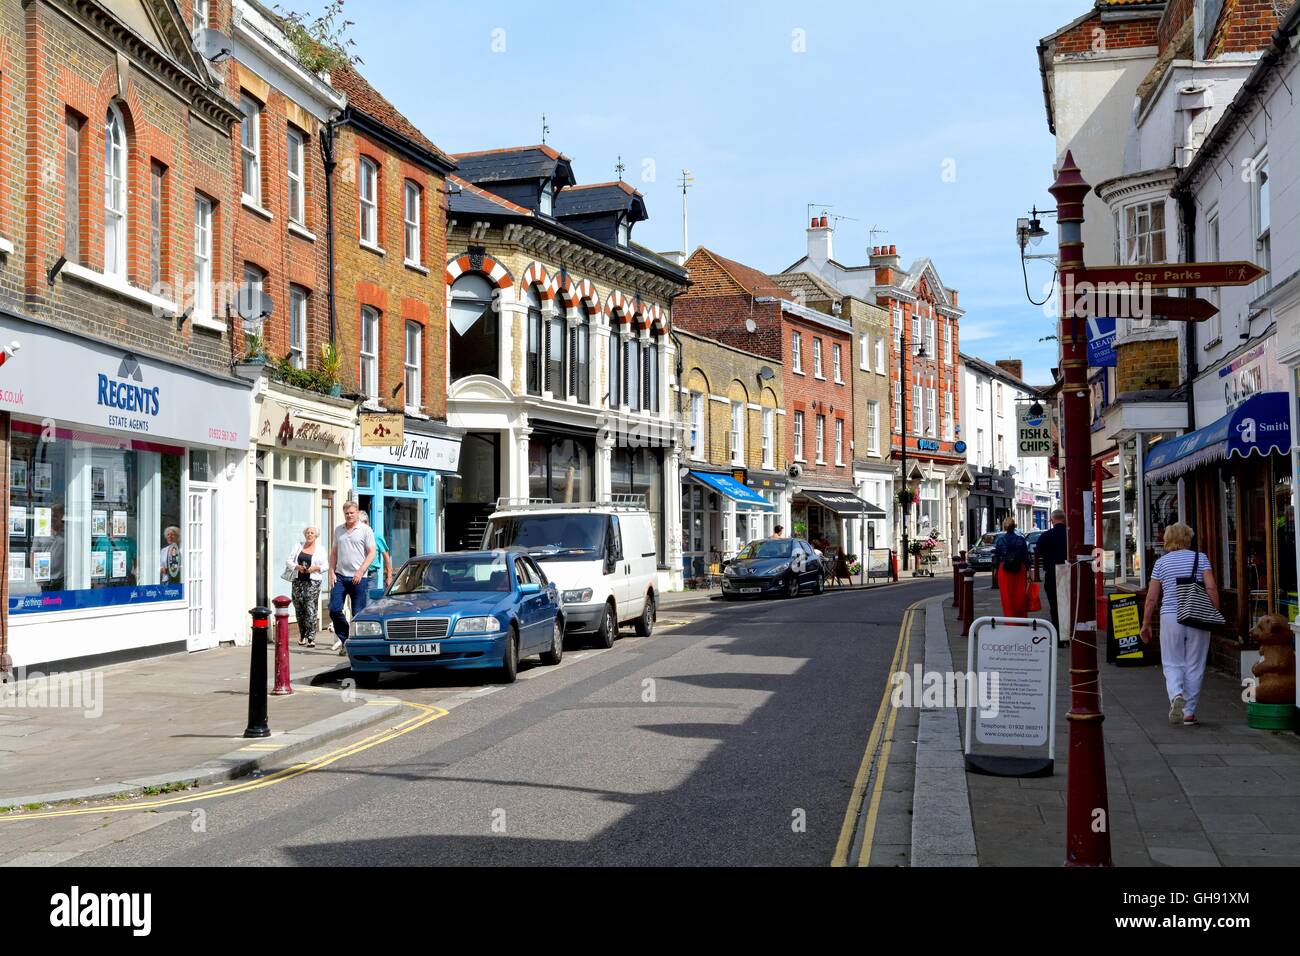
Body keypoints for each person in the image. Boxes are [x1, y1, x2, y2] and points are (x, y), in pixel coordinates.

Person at [1140, 522, 1220, 726]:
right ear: (1188, 538)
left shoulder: (1161, 563)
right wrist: (1214, 612)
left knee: (1172, 661)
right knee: (1195, 663)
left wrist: (1146, 622)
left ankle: (1176, 694)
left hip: (1170, 616)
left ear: (1167, 540)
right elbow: (1211, 588)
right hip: (1197, 614)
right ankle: (1188, 712)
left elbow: (1151, 597)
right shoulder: (1200, 558)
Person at [329, 501, 377, 655]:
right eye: (347, 513)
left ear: (357, 513)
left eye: (352, 512)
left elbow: (372, 552)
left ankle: (357, 645)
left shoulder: (365, 530)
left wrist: (361, 571)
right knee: (334, 609)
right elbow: (334, 552)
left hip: (359, 578)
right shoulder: (339, 530)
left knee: (358, 613)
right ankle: (345, 639)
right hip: (341, 576)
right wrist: (331, 572)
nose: (349, 515)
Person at [289, 526, 326, 647]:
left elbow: (326, 565)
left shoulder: (320, 549)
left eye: (312, 533)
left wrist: (316, 568)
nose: (309, 535)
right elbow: (288, 561)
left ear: (316, 536)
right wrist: (296, 566)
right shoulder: (298, 546)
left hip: (313, 581)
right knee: (299, 608)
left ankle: (311, 637)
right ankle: (302, 634)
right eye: (307, 533)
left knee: (310, 607)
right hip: (298, 580)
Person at [1036, 510, 1068, 636]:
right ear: (1064, 519)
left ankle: (1058, 636)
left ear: (1052, 520)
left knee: (1054, 605)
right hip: (1068, 570)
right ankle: (1067, 634)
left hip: (1052, 572)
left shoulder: (1046, 535)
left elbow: (1038, 552)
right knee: (1067, 604)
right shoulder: (1070, 534)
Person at [993, 516, 1031, 618]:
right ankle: (1021, 619)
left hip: (1004, 569)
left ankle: (1010, 620)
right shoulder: (1021, 540)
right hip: (1020, 568)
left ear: (1004, 527)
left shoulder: (1000, 541)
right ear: (1014, 527)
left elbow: (996, 558)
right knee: (1019, 596)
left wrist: (996, 572)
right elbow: (1026, 556)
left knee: (1007, 597)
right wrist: (1029, 570)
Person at [359, 511, 392, 594]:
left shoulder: (376, 536)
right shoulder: (357, 536)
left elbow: (386, 556)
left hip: (371, 575)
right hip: (358, 574)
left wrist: (389, 576)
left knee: (369, 602)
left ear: (366, 523)